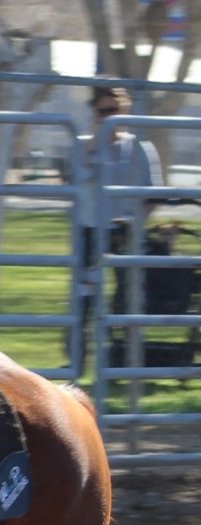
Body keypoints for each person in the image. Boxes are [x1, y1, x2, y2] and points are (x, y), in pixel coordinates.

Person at [70, 83, 164, 366]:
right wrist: (95, 140)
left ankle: (121, 359)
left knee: (126, 297)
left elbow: (153, 194)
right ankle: (76, 360)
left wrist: (135, 226)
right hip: (89, 231)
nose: (109, 116)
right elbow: (78, 176)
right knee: (84, 299)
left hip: (125, 233)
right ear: (94, 113)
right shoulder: (82, 145)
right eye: (103, 111)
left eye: (114, 110)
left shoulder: (140, 147)